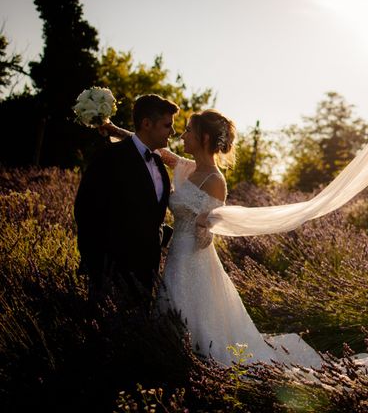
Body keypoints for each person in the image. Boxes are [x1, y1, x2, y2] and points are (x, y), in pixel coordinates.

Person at [101, 109, 322, 366]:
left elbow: (206, 235)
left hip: (194, 259)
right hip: (177, 256)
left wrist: (205, 225)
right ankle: (173, 356)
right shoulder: (187, 167)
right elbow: (153, 149)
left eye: (188, 131)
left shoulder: (215, 180)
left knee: (194, 320)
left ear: (204, 138)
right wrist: (115, 130)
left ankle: (195, 361)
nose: (181, 136)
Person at [74, 94, 179, 305]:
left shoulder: (159, 164)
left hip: (146, 273)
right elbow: (85, 210)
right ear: (147, 124)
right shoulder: (110, 157)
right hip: (110, 272)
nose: (173, 132)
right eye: (168, 125)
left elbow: (151, 214)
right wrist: (98, 265)